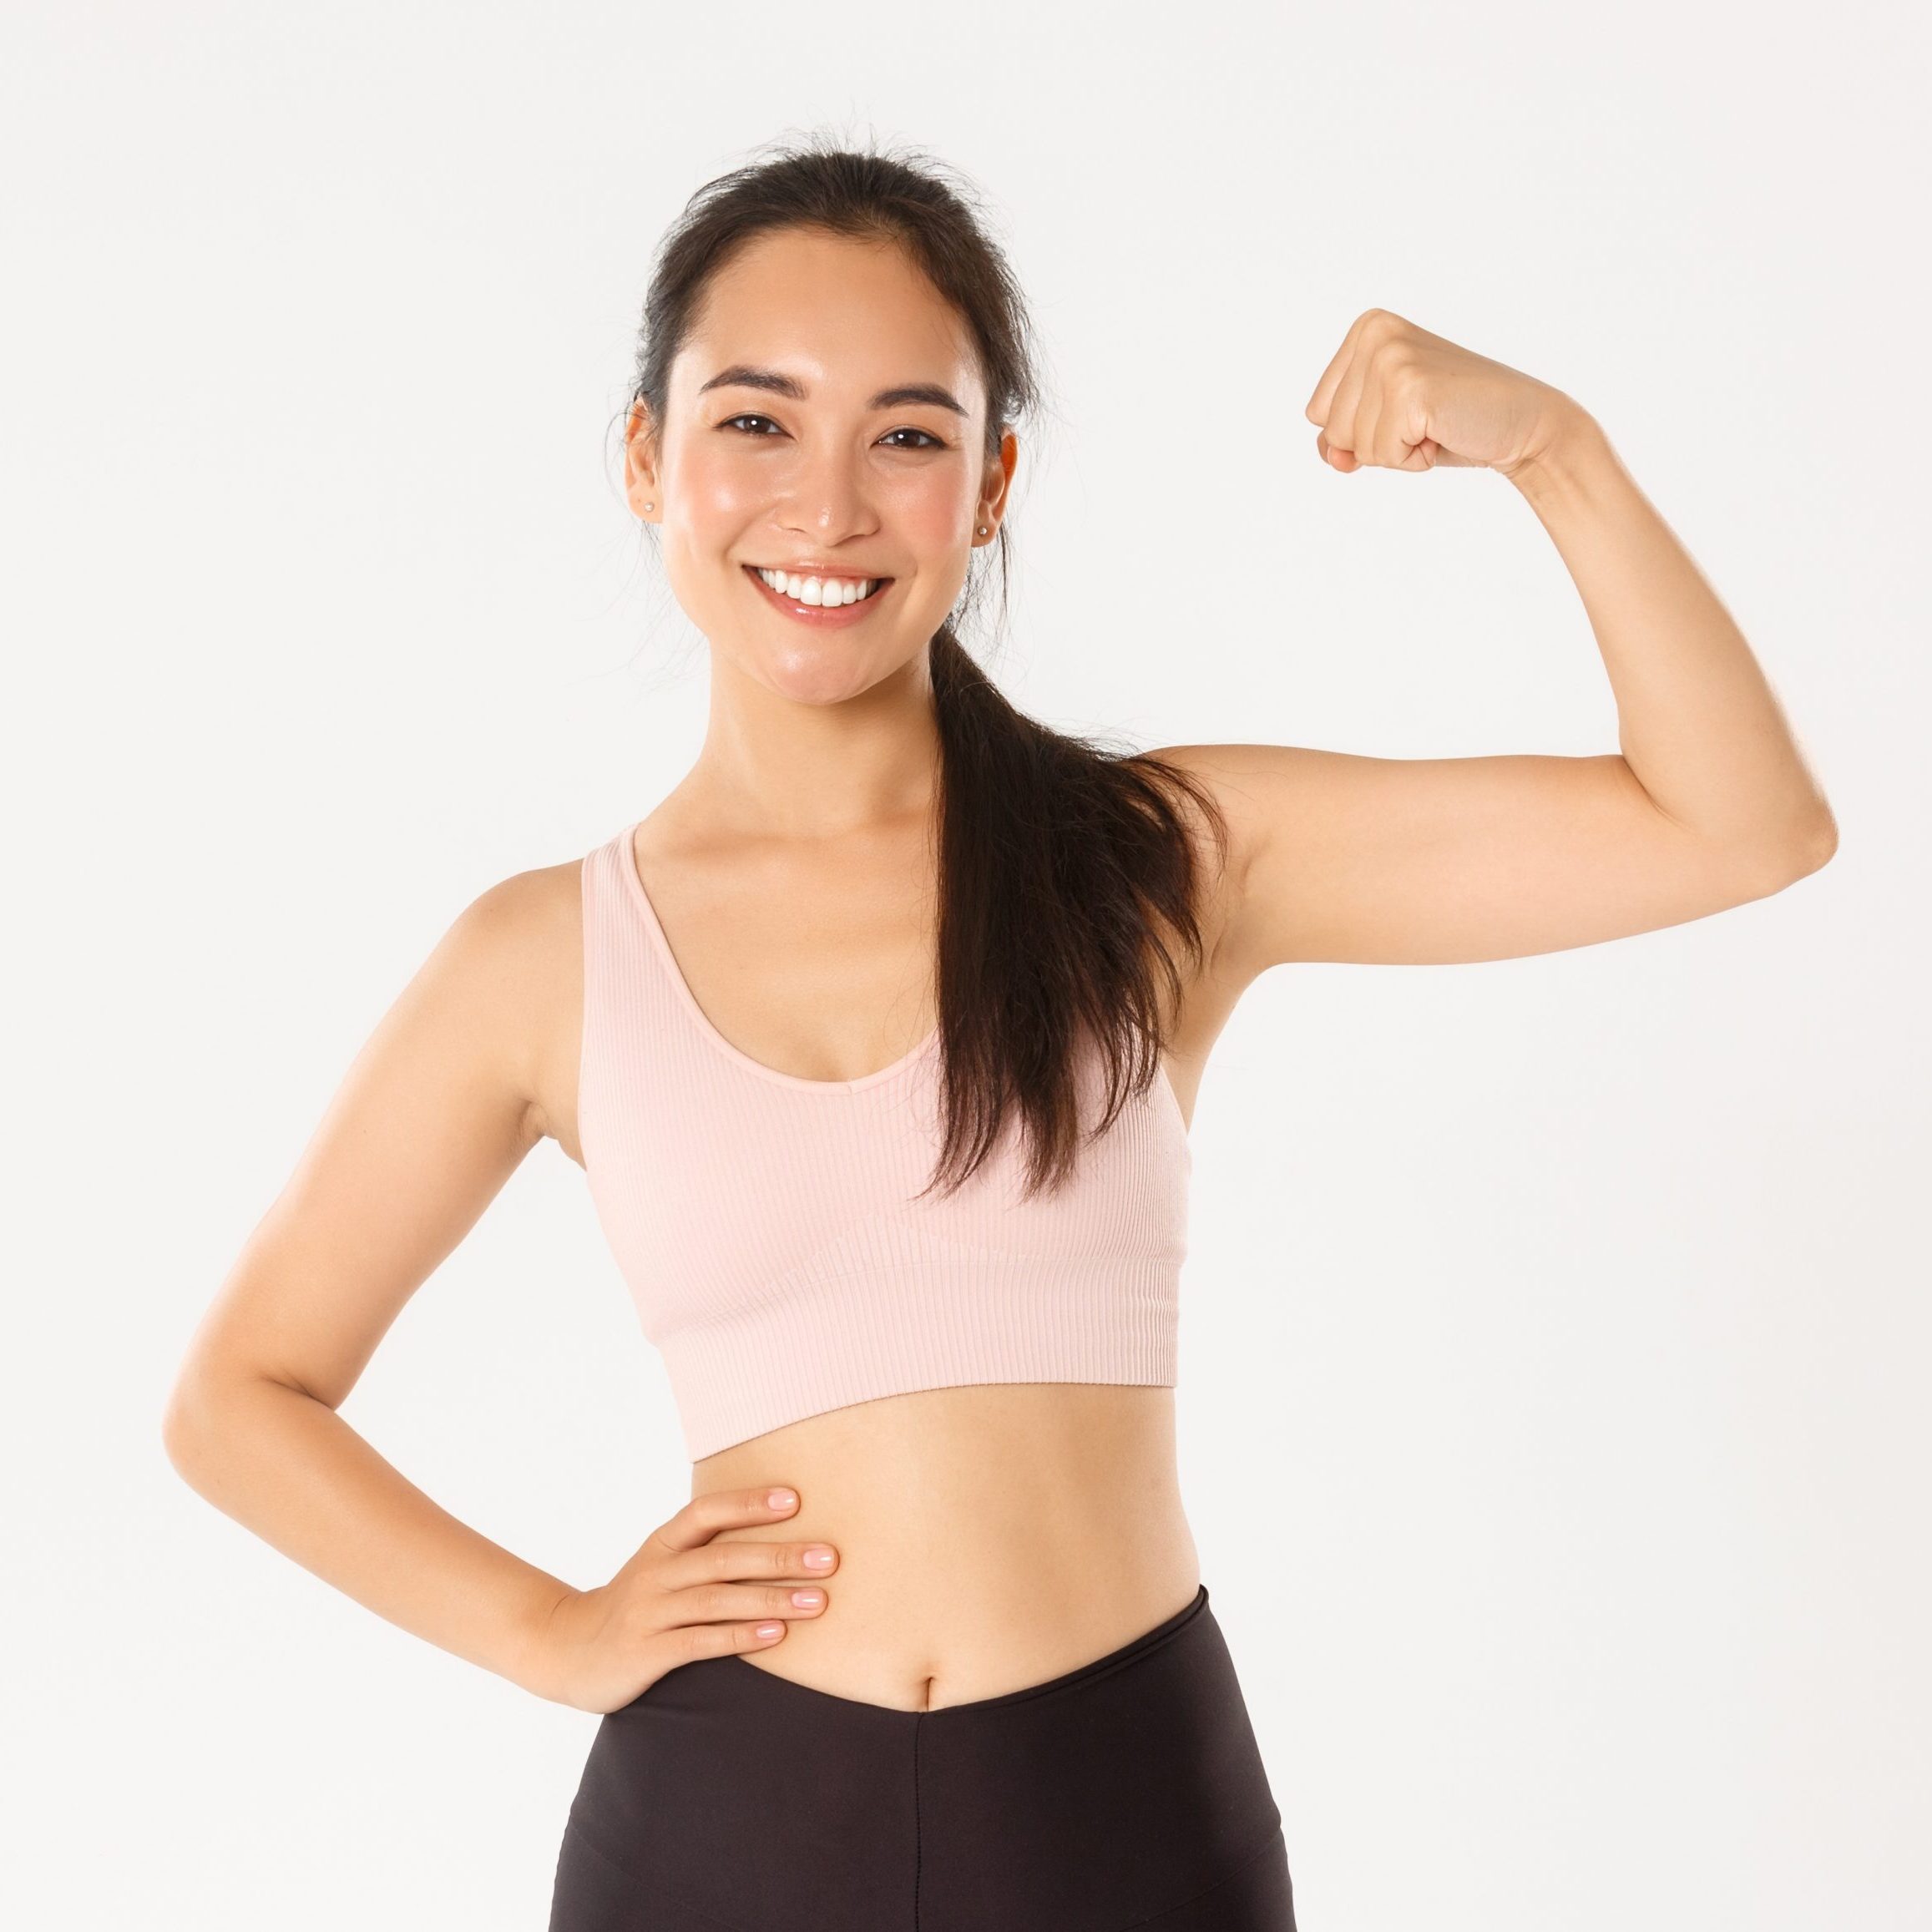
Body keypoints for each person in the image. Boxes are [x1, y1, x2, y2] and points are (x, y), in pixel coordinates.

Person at [162, 134, 1837, 1932]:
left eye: (905, 435)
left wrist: (1552, 448)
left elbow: (1736, 825)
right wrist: (546, 1632)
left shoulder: (1156, 862)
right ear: (646, 457)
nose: (825, 506)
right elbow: (239, 1397)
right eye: (754, 420)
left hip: (1120, 1817)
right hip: (721, 1829)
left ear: (991, 484)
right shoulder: (543, 956)